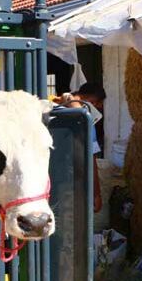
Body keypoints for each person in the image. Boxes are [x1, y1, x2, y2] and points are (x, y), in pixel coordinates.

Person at [56, 82, 106, 213]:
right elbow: (91, 158)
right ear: (93, 102)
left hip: (51, 180)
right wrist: (96, 194)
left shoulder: (55, 108)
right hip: (74, 183)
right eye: (98, 107)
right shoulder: (84, 118)